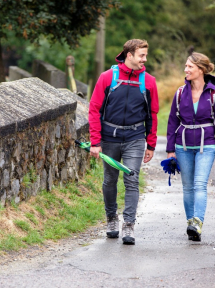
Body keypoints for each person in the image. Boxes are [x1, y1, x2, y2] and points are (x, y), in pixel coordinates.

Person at [89, 39, 159, 245]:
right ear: (129, 55)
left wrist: (151, 144)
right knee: (110, 180)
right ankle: (111, 219)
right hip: (109, 138)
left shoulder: (149, 81)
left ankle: (129, 224)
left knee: (131, 179)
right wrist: (95, 141)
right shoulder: (107, 77)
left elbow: (152, 114)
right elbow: (94, 110)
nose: (144, 60)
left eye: (145, 55)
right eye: (141, 56)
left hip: (134, 138)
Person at [166, 52, 215, 242]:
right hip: (182, 146)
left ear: (201, 70)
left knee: (200, 184)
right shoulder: (180, 93)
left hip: (207, 145)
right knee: (187, 187)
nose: (185, 70)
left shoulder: (212, 93)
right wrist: (170, 150)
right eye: (185, 66)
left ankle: (197, 223)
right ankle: (190, 224)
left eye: (190, 67)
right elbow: (172, 122)